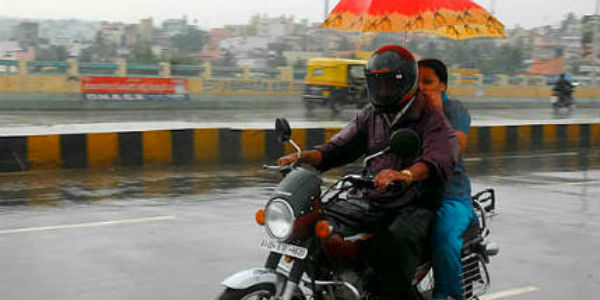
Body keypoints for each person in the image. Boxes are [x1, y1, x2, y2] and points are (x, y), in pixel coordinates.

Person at [278, 45, 457, 300]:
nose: (383, 90)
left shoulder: (431, 117)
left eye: (389, 84)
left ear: (406, 82)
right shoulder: (371, 115)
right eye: (377, 83)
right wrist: (303, 156)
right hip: (374, 197)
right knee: (319, 229)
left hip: (415, 202)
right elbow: (339, 147)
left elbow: (438, 158)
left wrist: (405, 174)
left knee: (390, 250)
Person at [418, 58, 475, 300]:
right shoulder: (410, 113)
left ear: (442, 85)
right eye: (416, 82)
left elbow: (456, 150)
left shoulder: (455, 110)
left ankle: (448, 294)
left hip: (451, 195)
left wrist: (438, 112)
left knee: (445, 238)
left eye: (428, 82)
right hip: (413, 193)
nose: (421, 87)